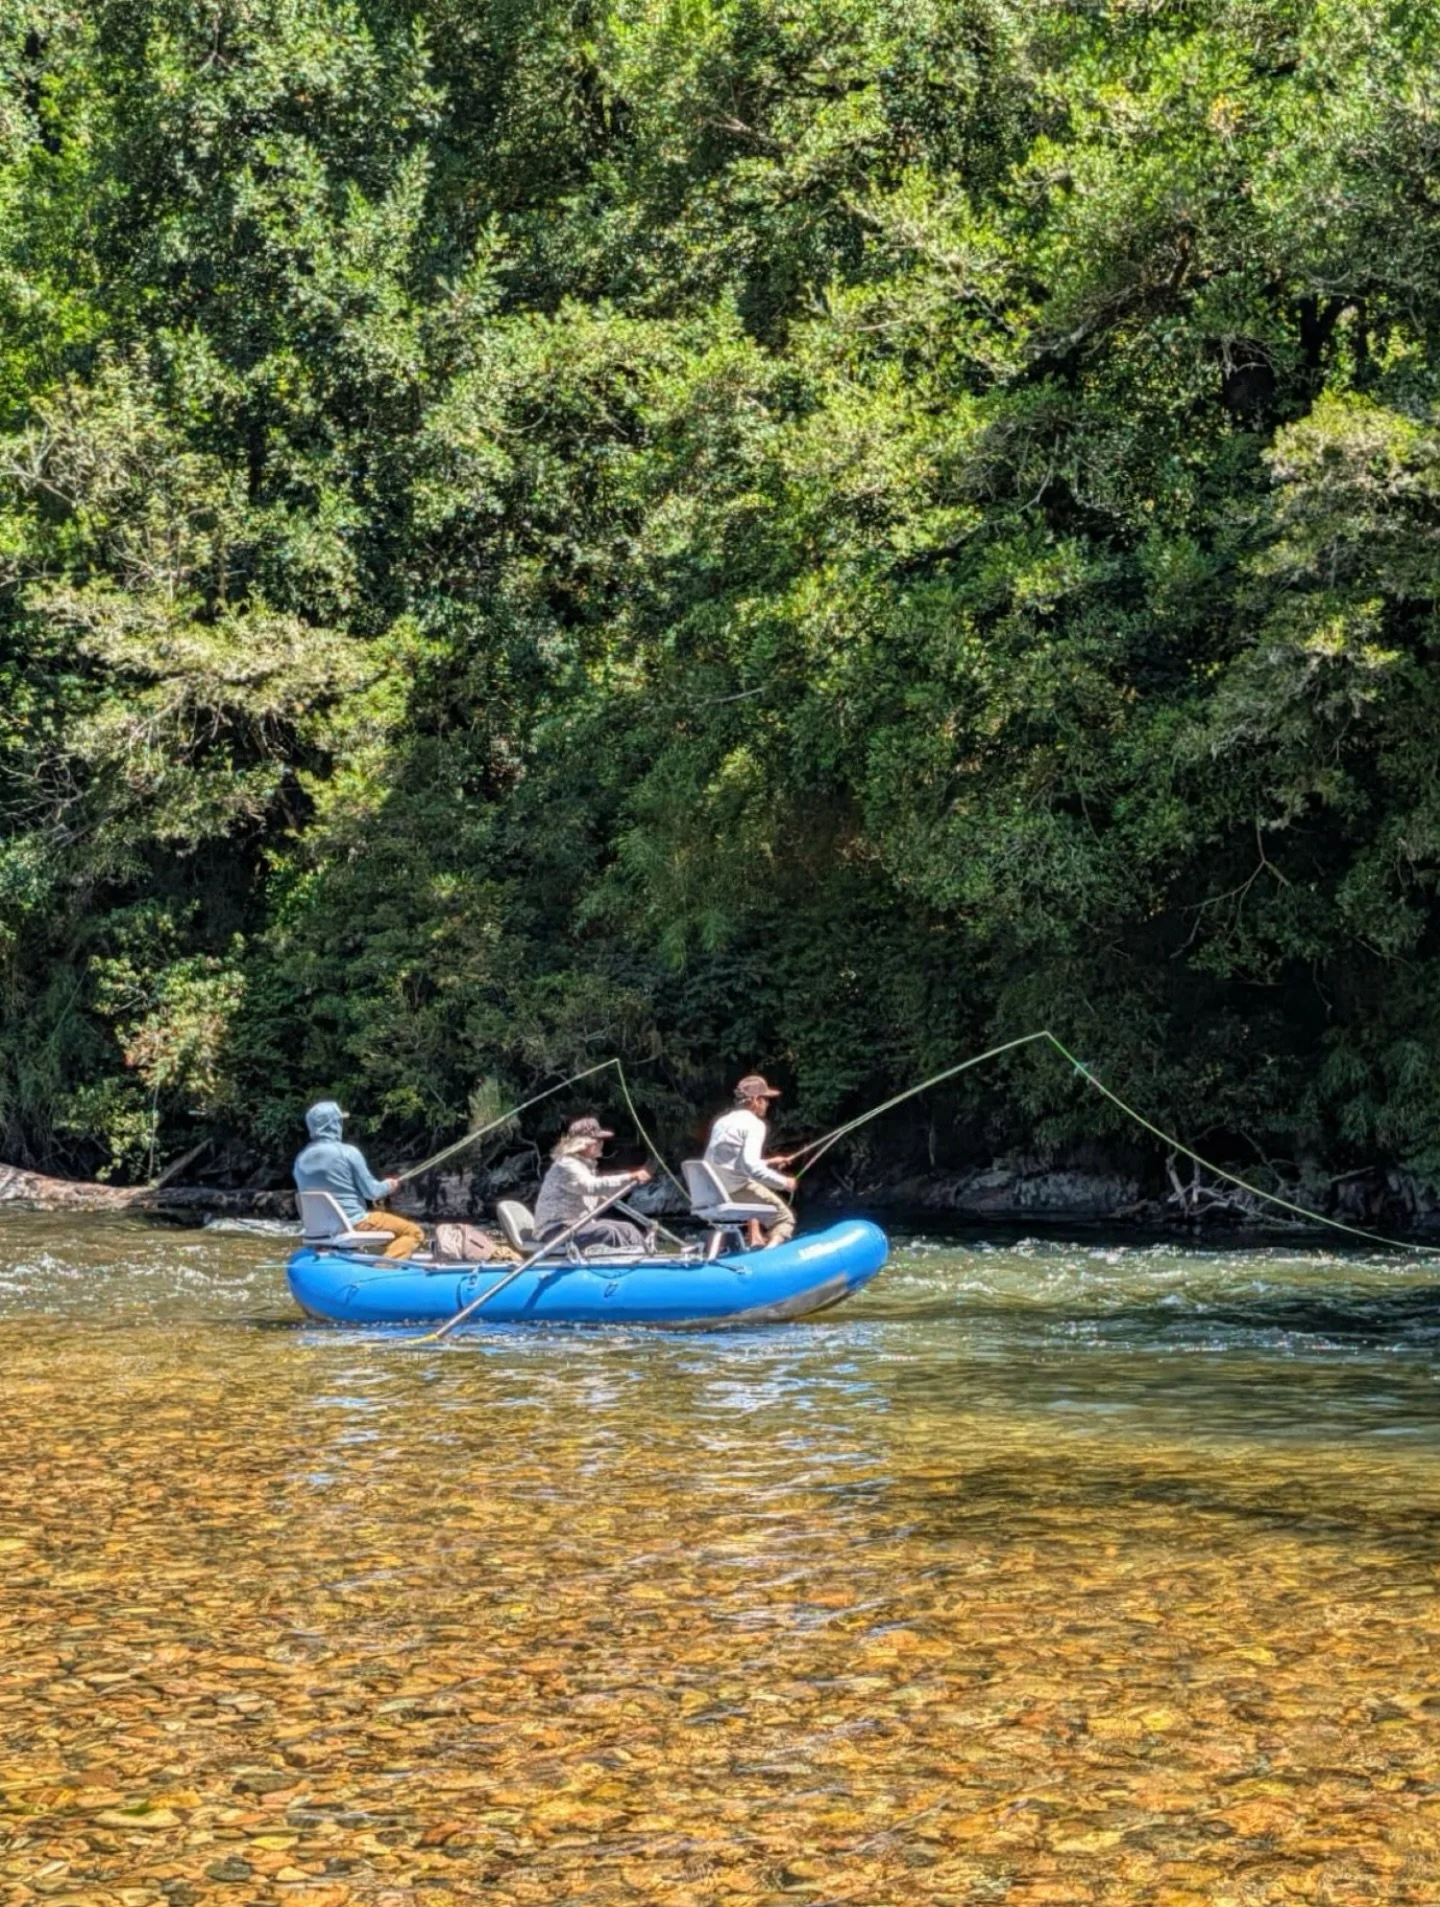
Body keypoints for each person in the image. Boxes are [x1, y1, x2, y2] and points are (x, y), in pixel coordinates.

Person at [293, 1101, 426, 1261]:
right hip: (355, 1222)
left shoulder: (300, 1160)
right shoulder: (348, 1153)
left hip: (318, 1229)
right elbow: (372, 1192)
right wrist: (389, 1185)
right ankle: (385, 1269)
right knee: (413, 1232)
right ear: (334, 1124)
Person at [704, 1073, 797, 1248]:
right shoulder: (754, 1124)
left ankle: (755, 1244)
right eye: (765, 1099)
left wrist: (769, 1163)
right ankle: (768, 1260)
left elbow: (731, 1161)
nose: (768, 1104)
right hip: (735, 1190)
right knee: (784, 1219)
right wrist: (785, 1182)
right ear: (755, 1100)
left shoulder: (722, 1122)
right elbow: (751, 1167)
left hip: (713, 1190)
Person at [534, 1116, 653, 1251]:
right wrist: (629, 1176)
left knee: (627, 1229)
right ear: (581, 1142)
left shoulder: (584, 1167)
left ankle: (647, 1257)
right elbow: (591, 1186)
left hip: (578, 1225)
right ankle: (630, 1261)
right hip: (556, 1229)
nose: (601, 1144)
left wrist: (625, 1183)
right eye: (597, 1140)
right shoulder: (566, 1165)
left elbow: (598, 1192)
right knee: (606, 1232)